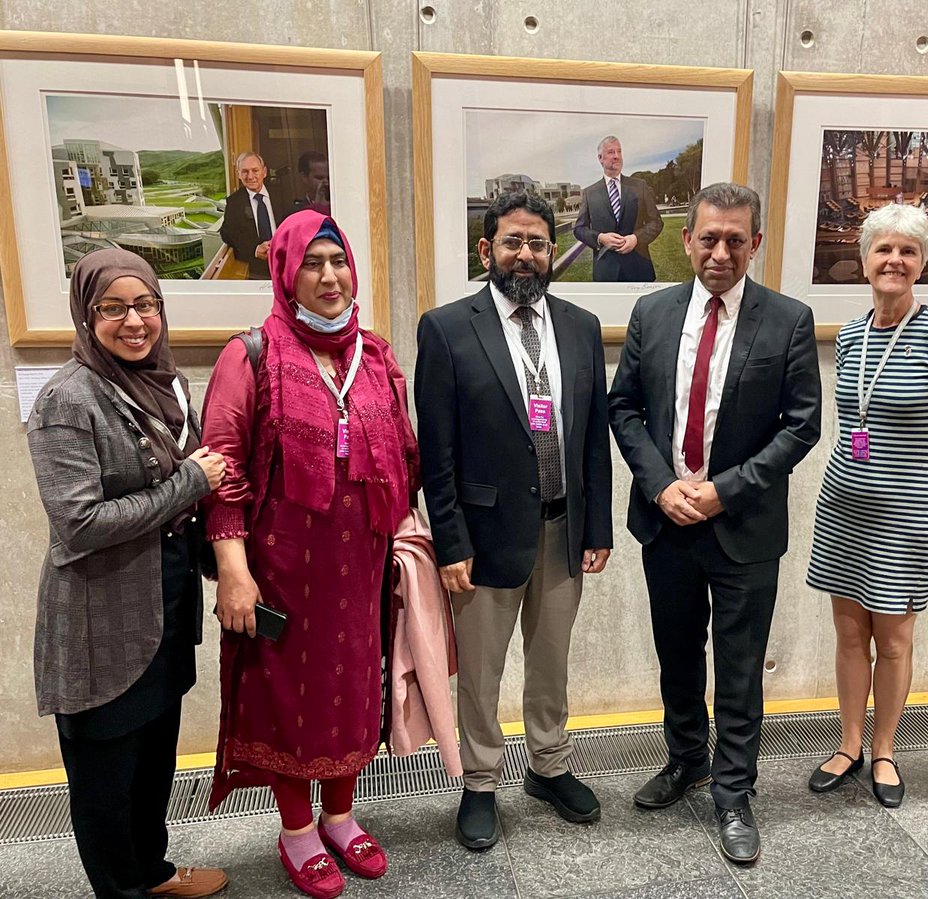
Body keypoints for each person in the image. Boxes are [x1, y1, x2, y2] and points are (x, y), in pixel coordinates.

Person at [202, 210, 420, 897]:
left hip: (360, 567)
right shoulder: (251, 355)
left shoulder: (375, 354)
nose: (330, 277)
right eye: (312, 264)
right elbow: (223, 465)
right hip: (282, 568)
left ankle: (340, 815)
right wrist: (234, 570)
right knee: (290, 699)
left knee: (351, 691)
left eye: (339, 261)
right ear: (286, 274)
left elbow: (405, 455)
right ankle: (297, 828)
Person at [608, 182, 821, 864]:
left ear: (755, 243)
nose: (721, 251)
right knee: (676, 652)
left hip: (744, 526)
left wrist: (725, 490)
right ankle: (685, 759)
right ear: (687, 240)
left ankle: (734, 790)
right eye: (709, 237)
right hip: (667, 520)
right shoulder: (653, 312)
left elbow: (802, 425)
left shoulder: (787, 320)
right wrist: (661, 483)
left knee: (737, 666)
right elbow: (626, 409)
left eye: (736, 239)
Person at [27, 249, 229, 899]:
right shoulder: (67, 396)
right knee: (105, 776)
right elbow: (79, 524)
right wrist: (190, 481)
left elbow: (189, 491)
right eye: (113, 307)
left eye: (145, 304)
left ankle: (155, 872)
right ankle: (121, 889)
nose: (135, 320)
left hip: (165, 604)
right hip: (99, 616)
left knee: (153, 758)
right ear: (88, 316)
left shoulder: (170, 383)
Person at [415, 190, 613, 851]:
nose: (525, 254)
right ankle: (478, 782)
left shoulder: (581, 325)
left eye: (536, 243)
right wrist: (450, 540)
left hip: (563, 528)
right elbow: (435, 452)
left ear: (552, 252)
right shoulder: (446, 328)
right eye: (511, 242)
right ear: (486, 250)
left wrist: (599, 527)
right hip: (484, 536)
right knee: (482, 670)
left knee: (551, 661)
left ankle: (549, 766)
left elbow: (593, 437)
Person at [804, 204, 928, 808]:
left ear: (923, 263)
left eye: (908, 251)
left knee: (896, 641)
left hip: (907, 518)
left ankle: (884, 750)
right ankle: (849, 743)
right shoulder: (852, 335)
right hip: (843, 512)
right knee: (849, 636)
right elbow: (852, 418)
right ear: (862, 262)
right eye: (883, 250)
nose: (894, 261)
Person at [572, 136, 664, 281]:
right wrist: (600, 238)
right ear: (600, 158)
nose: (616, 156)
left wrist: (636, 238)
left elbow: (656, 222)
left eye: (619, 151)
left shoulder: (640, 186)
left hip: (639, 269)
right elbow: (579, 229)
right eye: (611, 152)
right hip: (606, 272)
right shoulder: (590, 193)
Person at [219, 151, 286, 280]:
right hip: (256, 271)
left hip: (285, 262)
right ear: (239, 174)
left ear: (264, 172)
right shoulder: (234, 202)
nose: (250, 176)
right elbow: (227, 233)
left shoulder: (282, 194)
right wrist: (254, 249)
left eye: (255, 170)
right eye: (244, 171)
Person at [293, 150, 331, 216]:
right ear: (304, 177)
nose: (326, 183)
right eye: (319, 178)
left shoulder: (337, 207)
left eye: (328, 178)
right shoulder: (296, 212)